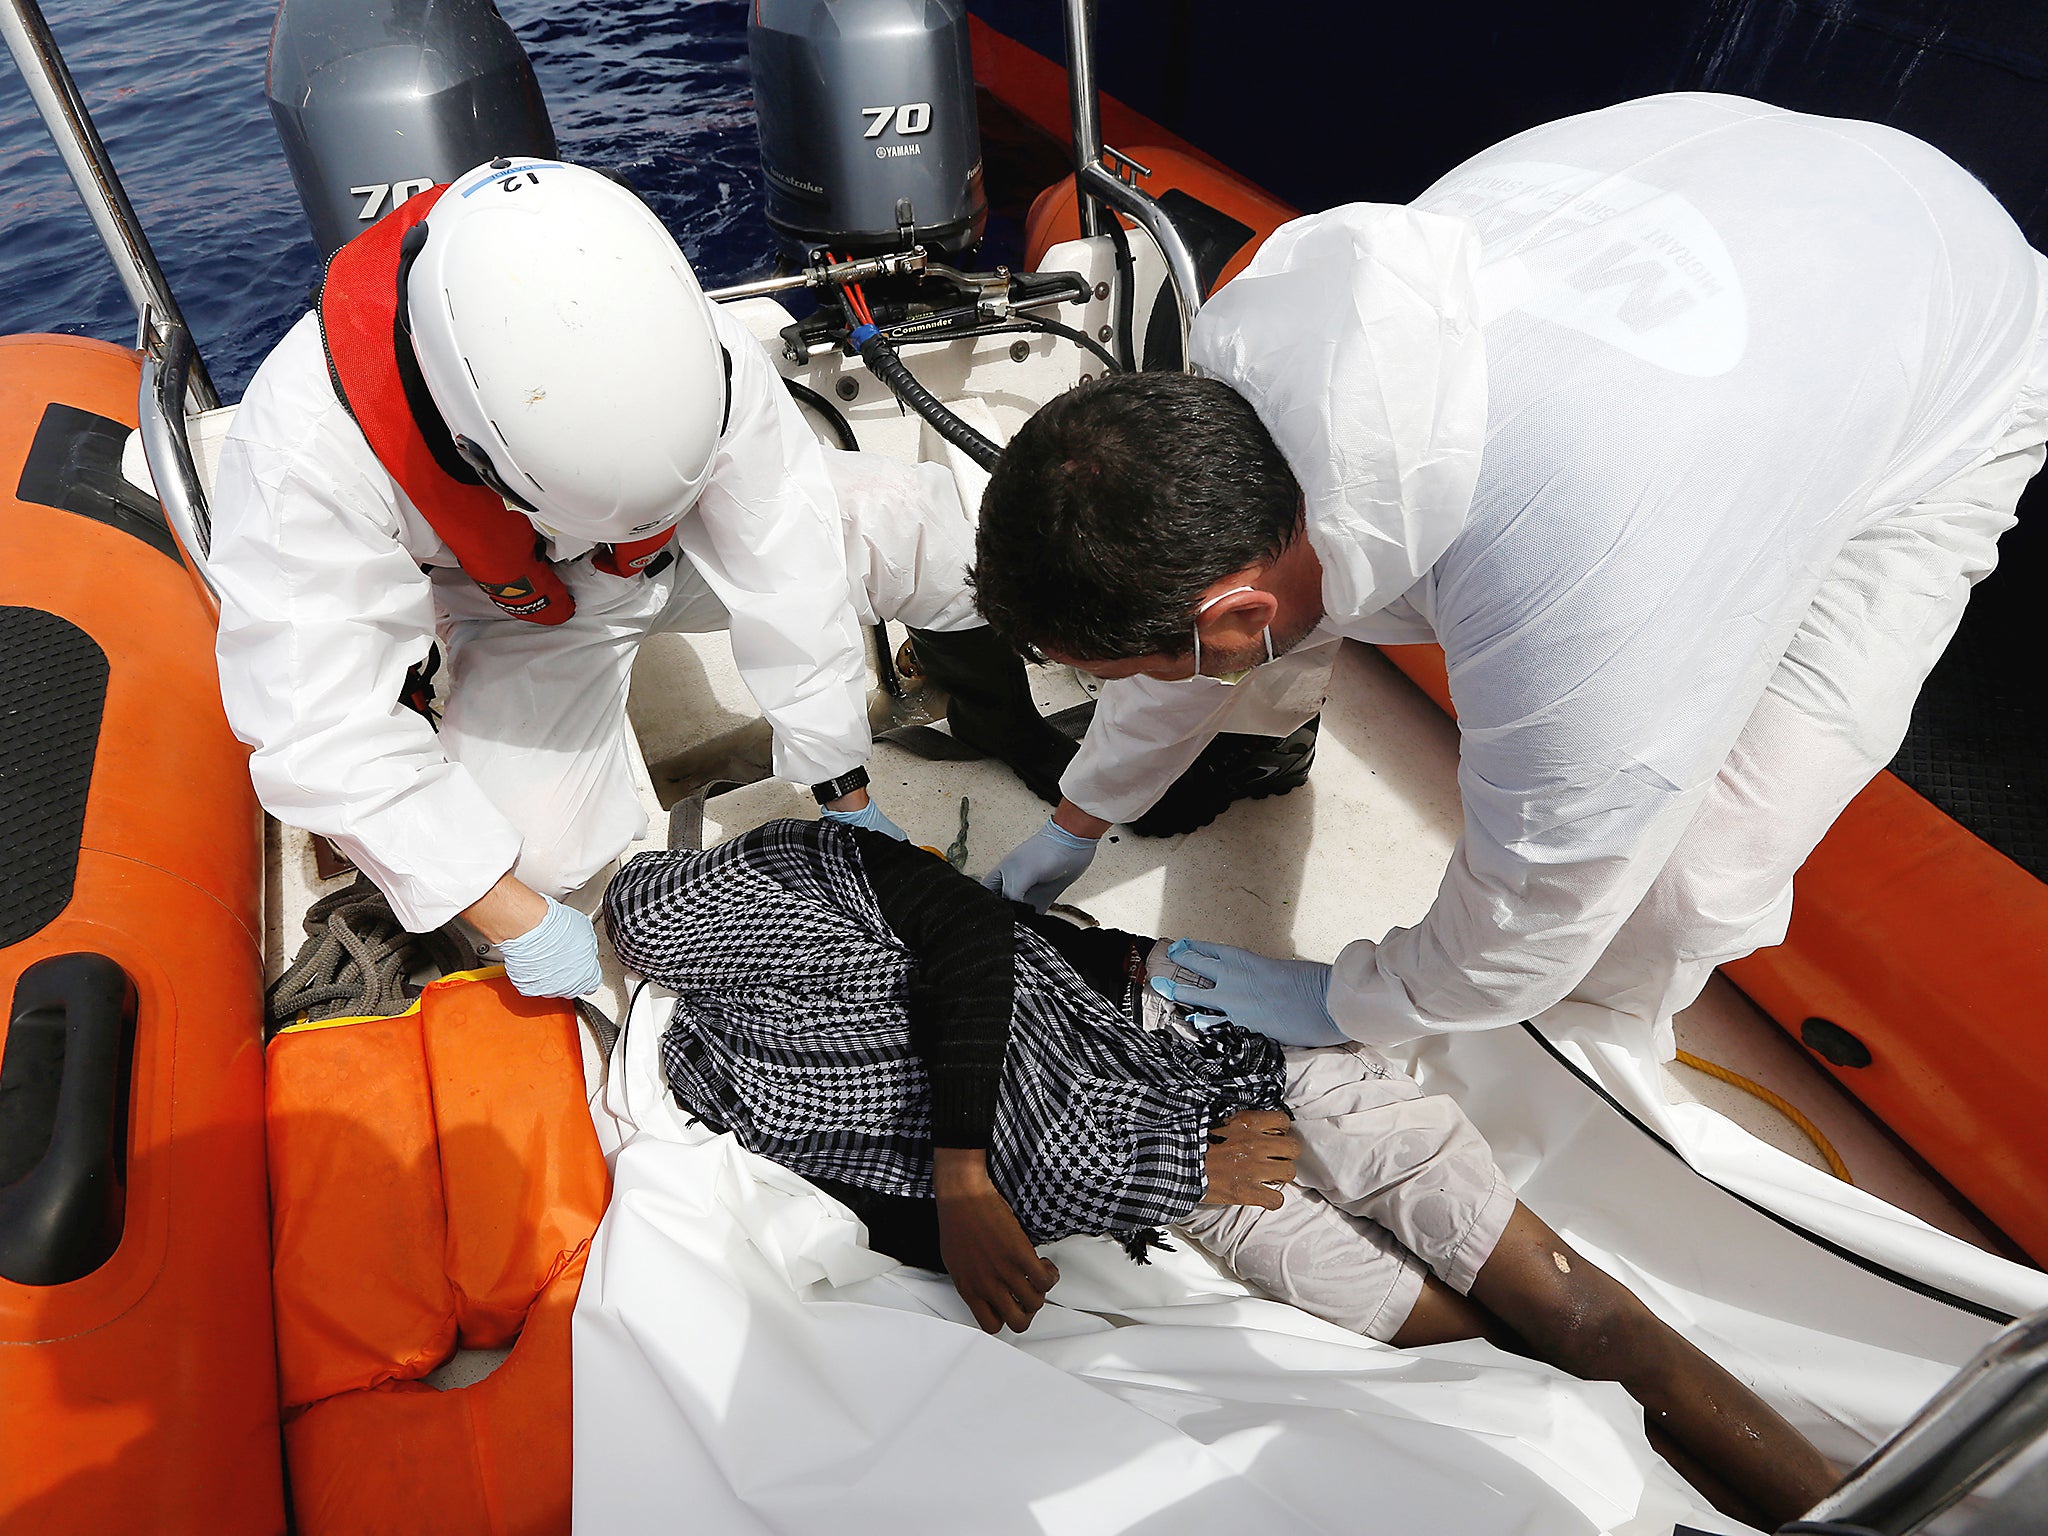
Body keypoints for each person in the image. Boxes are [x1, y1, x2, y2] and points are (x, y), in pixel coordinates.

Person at [973, 93, 2048, 1058]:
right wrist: (1078, 818)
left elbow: (1550, 884)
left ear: (1239, 608)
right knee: (1268, 630)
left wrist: (1354, 999)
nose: (1140, 683)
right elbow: (1197, 649)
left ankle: (1593, 1056)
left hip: (1946, 325)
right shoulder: (1238, 374)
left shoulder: (1577, 575)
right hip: (1715, 185)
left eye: (1137, 668)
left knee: (1691, 878)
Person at [604, 819, 1837, 1528]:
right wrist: (1107, 1175)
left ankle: (1851, 1512)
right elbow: (921, 1221)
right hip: (1187, 1186)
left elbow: (967, 937)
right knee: (1483, 1369)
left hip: (1224, 1036)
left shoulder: (701, 900)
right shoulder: (717, 1099)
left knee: (1565, 1300)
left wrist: (973, 1172)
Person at [209, 156, 1072, 1001]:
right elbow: (323, 728)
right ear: (473, 453)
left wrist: (840, 788)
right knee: (537, 860)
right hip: (517, 608)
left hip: (685, 542)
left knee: (946, 537)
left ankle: (996, 716)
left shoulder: (692, 347)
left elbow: (786, 564)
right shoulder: (303, 456)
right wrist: (517, 920)